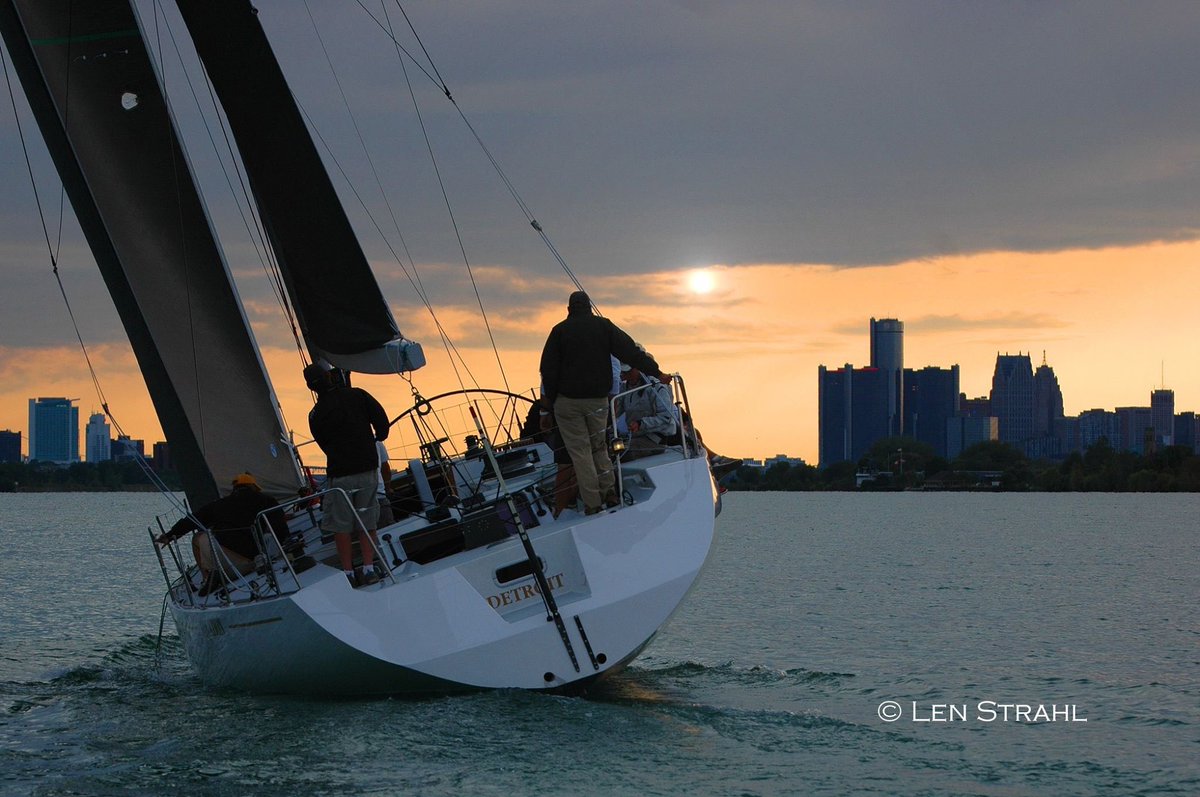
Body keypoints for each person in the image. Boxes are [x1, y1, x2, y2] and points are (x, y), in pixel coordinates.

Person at [539, 290, 667, 514]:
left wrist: (548, 406)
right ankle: (609, 492)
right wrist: (657, 372)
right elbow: (630, 352)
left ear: (569, 310)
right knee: (599, 447)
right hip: (597, 401)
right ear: (589, 307)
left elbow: (547, 370)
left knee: (580, 452)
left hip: (567, 403)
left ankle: (593, 503)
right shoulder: (604, 327)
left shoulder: (559, 331)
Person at [305, 363, 390, 587]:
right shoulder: (358, 395)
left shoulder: (315, 414)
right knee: (367, 519)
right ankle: (369, 569)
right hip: (367, 468)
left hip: (340, 474)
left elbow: (324, 444)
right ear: (330, 377)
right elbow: (382, 425)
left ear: (311, 388)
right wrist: (375, 438)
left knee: (341, 526)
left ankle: (348, 573)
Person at [156, 472, 287, 595]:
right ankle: (216, 574)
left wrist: (169, 535)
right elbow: (281, 528)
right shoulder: (267, 501)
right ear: (253, 487)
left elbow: (191, 521)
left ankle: (207, 578)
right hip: (254, 561)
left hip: (228, 563)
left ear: (234, 488)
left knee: (197, 537)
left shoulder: (218, 505)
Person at [618, 364, 678, 459]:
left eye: (629, 371)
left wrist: (640, 423)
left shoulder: (657, 387)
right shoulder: (624, 388)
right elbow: (616, 412)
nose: (625, 374)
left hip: (655, 439)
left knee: (621, 455)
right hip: (635, 437)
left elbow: (666, 417)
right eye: (623, 372)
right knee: (611, 451)